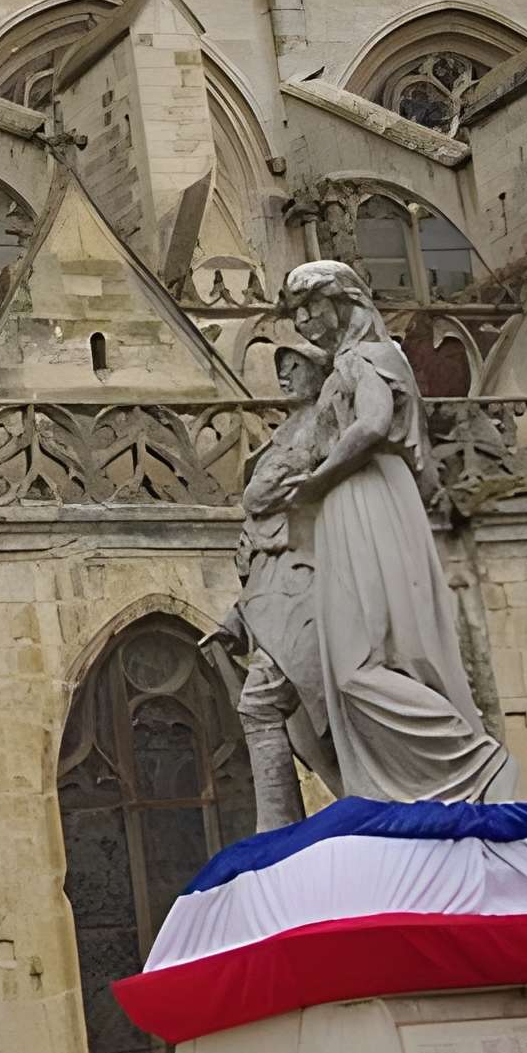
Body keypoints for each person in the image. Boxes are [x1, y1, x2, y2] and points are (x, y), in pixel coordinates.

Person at [271, 261, 518, 805]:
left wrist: (318, 478)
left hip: (366, 494)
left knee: (363, 663)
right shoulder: (343, 367)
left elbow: (374, 423)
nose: (306, 321)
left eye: (314, 305)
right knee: (354, 664)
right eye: (299, 312)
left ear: (347, 302)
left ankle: (471, 761)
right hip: (346, 500)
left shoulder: (370, 356)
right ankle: (401, 788)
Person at [218, 340, 344, 833]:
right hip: (275, 585)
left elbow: (272, 496)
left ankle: (280, 828)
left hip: (309, 580)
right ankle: (280, 826)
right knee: (275, 708)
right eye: (282, 368)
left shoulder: (326, 426)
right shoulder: (283, 432)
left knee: (293, 706)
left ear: (322, 372)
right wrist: (238, 616)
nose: (286, 376)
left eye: (297, 366)